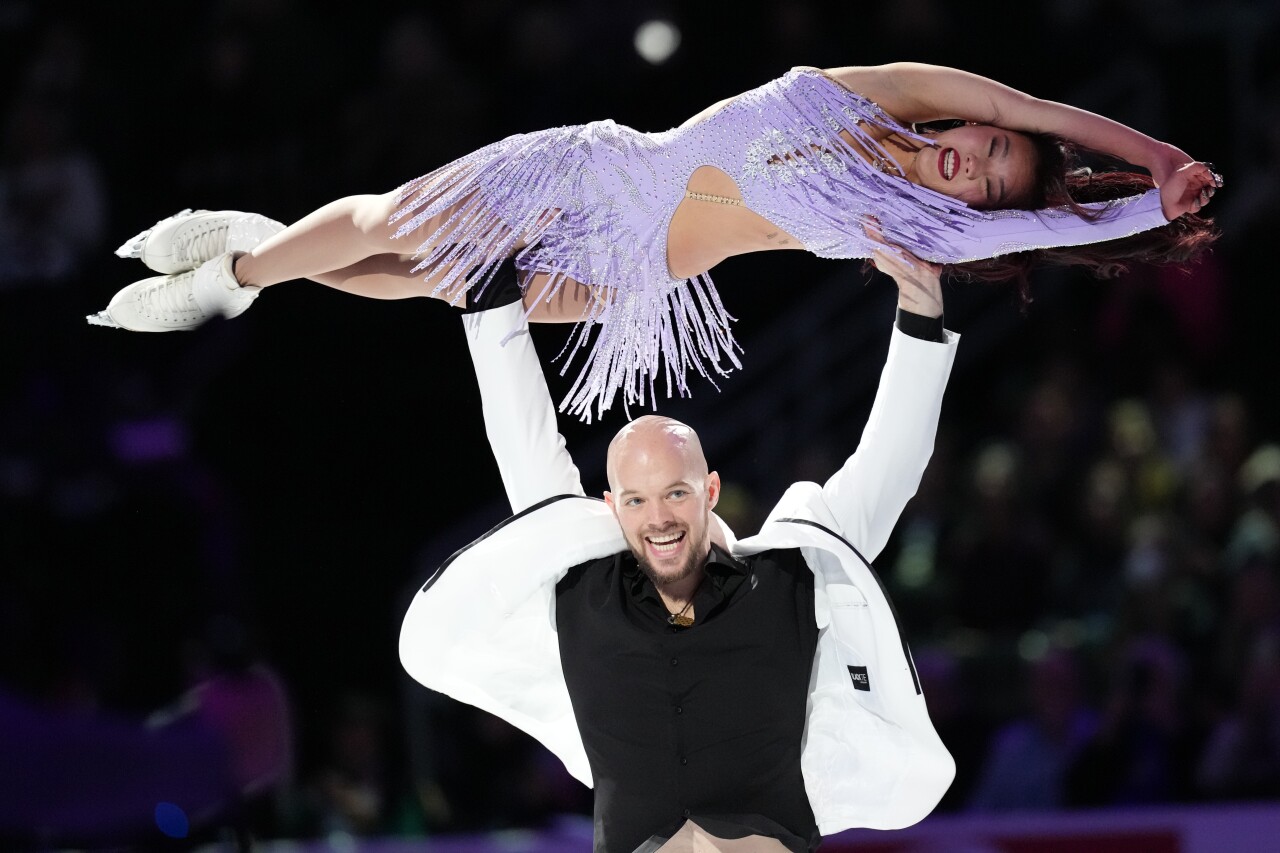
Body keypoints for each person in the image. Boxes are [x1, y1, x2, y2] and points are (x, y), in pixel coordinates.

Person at [87, 63, 1220, 419]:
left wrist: (1148, 204)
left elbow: (1072, 216)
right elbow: (1037, 113)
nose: (972, 159)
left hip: (638, 273)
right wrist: (1158, 151)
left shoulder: (924, 223)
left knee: (438, 288)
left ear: (979, 208)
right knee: (402, 225)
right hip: (593, 172)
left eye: (989, 183)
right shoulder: (874, 91)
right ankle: (236, 272)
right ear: (971, 127)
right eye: (985, 144)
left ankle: (257, 258)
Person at [400, 239, 958, 853]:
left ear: (710, 490)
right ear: (611, 507)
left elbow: (890, 467)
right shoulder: (579, 589)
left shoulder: (789, 580)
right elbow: (522, 442)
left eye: (675, 493)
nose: (658, 518)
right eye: (636, 500)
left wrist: (920, 311)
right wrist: (491, 298)